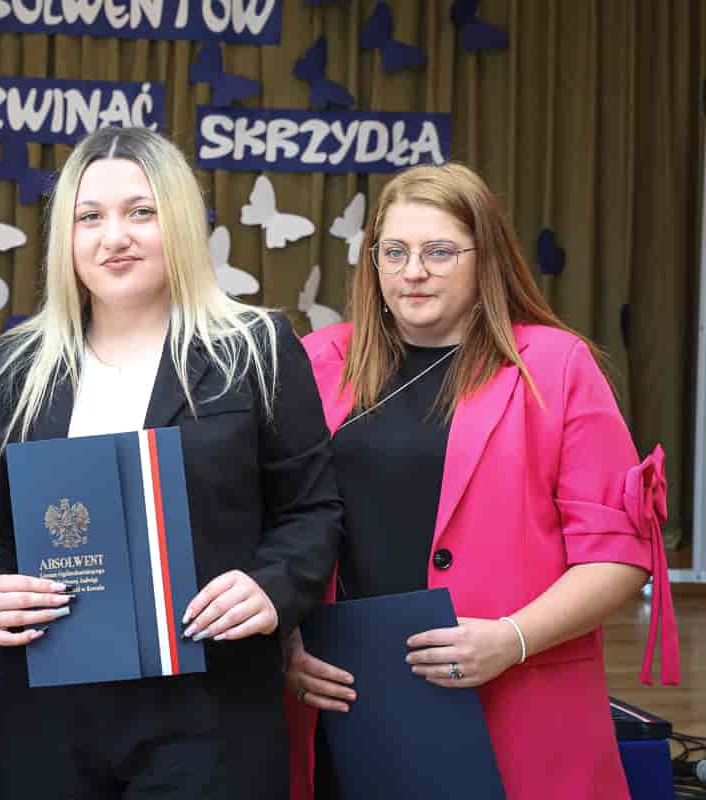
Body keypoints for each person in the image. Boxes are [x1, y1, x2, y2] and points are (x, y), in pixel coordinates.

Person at [0, 126, 343, 799]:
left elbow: (312, 510)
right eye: (90, 217)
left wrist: (271, 586)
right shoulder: (16, 365)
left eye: (140, 212)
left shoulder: (257, 348)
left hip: (211, 715)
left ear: (181, 222)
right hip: (47, 719)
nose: (114, 237)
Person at [285, 162, 680, 800]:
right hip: (345, 700)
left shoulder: (555, 367)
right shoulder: (318, 361)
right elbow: (274, 526)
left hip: (512, 694)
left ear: (485, 259)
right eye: (394, 251)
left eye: (439, 251)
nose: (413, 271)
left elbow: (616, 556)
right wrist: (287, 643)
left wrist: (511, 639)